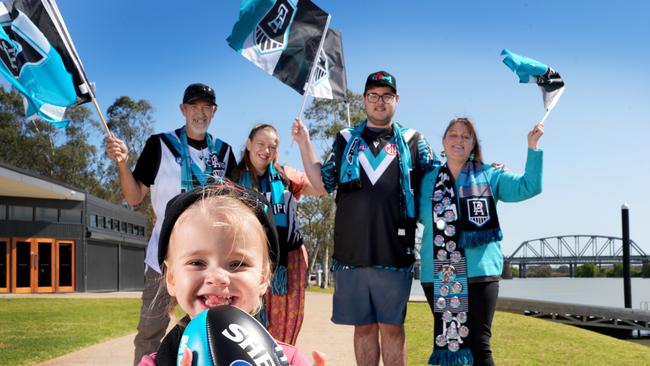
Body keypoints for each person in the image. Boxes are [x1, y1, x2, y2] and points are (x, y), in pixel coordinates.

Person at [292, 71, 437, 366]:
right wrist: (304, 142)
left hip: (395, 248)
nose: (379, 101)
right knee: (364, 327)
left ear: (396, 100)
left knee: (393, 327)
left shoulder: (413, 140)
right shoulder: (346, 139)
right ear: (364, 100)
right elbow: (322, 184)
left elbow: (440, 179)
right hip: (353, 250)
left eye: (386, 95)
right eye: (373, 95)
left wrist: (478, 169)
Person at [105, 83, 237, 364]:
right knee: (150, 333)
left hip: (210, 263)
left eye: (206, 107)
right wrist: (122, 163)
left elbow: (233, 205)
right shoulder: (160, 144)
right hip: (163, 259)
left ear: (214, 111)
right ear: (183, 110)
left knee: (211, 332)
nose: (200, 113)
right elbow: (134, 196)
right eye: (194, 106)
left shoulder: (224, 153)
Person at [137, 182, 318, 365]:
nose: (217, 278)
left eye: (237, 263)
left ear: (263, 279)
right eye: (197, 262)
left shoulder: (289, 360)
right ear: (172, 278)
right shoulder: (153, 363)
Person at [418, 117, 543, 366]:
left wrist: (533, 147)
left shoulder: (490, 175)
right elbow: (409, 211)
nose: (459, 140)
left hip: (480, 273)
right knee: (450, 345)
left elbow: (529, 186)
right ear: (443, 141)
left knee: (480, 345)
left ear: (474, 143)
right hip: (438, 274)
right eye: (453, 134)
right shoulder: (426, 181)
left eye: (466, 136)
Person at [231, 123, 321, 345]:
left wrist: (304, 142)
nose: (266, 150)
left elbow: (320, 187)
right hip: (246, 261)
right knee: (246, 324)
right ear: (249, 144)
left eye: (273, 146)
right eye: (261, 143)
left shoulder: (285, 176)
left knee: (284, 328)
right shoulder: (232, 180)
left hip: (287, 263)